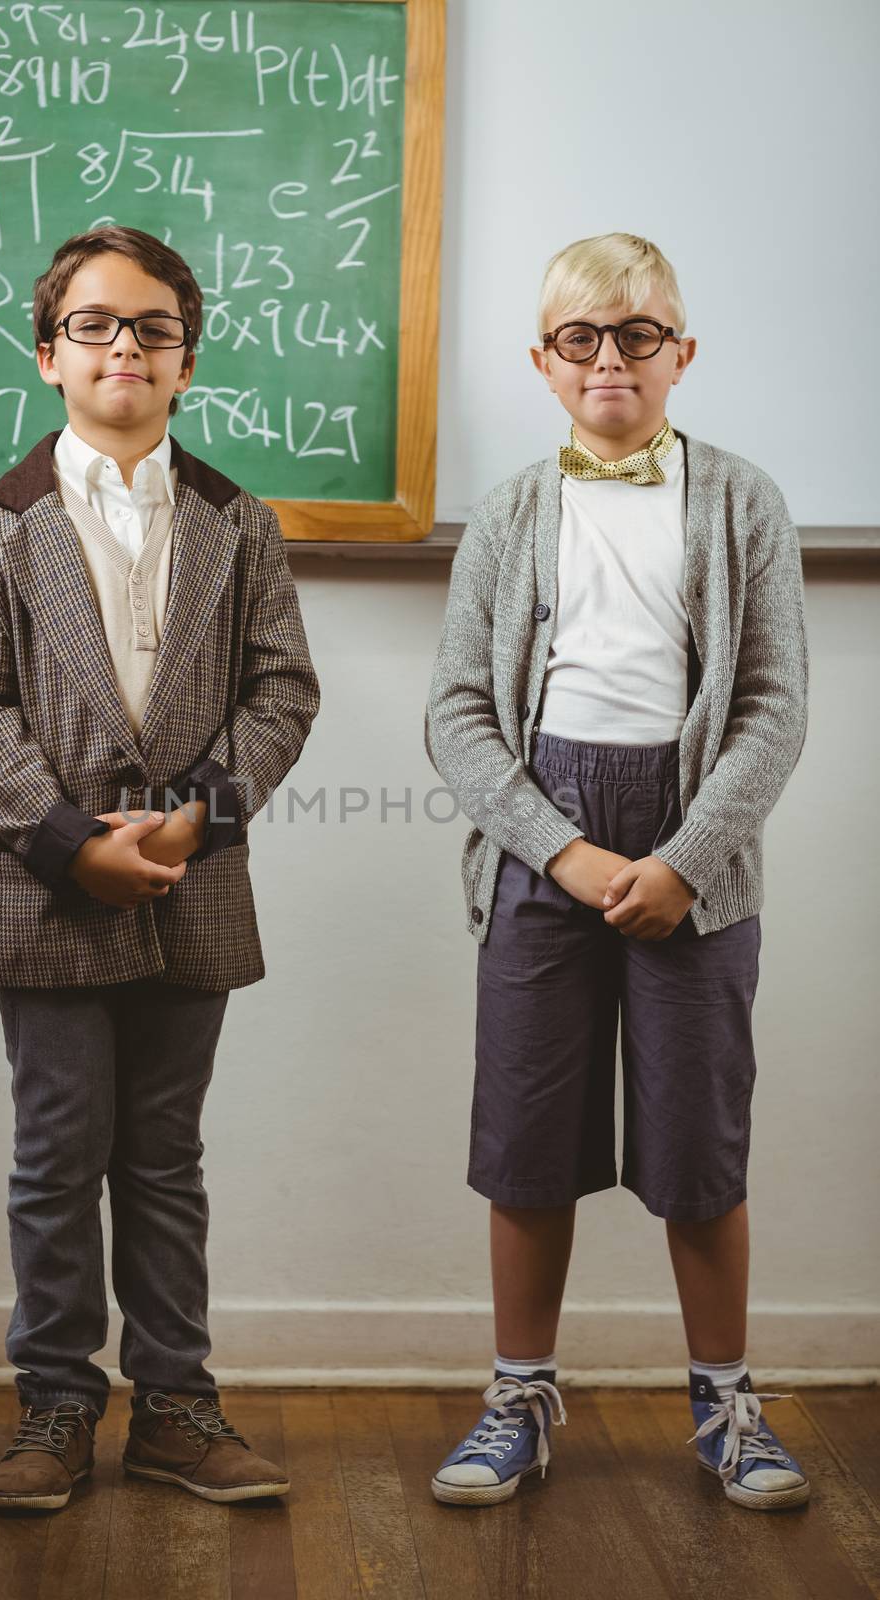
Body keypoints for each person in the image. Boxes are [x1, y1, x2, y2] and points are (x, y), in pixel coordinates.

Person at [0, 224, 320, 1513]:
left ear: (186, 361)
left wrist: (195, 819)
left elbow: (280, 691)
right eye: (94, 325)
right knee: (55, 1153)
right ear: (48, 356)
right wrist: (70, 843)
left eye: (152, 328)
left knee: (163, 1154)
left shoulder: (237, 519)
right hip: (42, 885)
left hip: (190, 877)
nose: (125, 347)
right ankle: (52, 1401)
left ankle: (173, 1405)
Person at [424, 232, 810, 1511]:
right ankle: (519, 1392)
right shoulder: (510, 514)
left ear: (678, 353)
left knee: (698, 1143)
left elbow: (769, 705)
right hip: (545, 839)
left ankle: (726, 1402)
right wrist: (566, 849)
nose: (609, 359)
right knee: (527, 1141)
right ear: (543, 362)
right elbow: (459, 715)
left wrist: (688, 859)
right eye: (580, 338)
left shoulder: (739, 500)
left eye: (637, 335)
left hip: (691, 845)